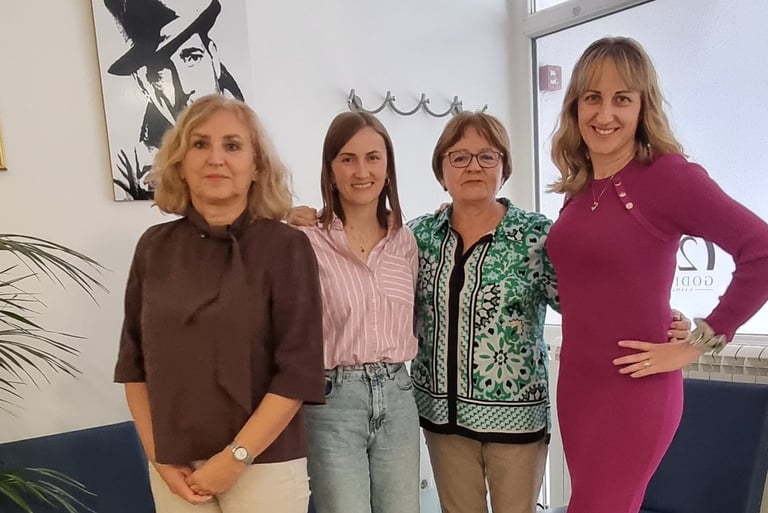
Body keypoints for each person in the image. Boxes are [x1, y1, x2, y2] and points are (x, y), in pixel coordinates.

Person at [545, 36, 768, 513]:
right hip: (578, 386)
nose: (605, 114)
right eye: (593, 97)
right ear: (575, 107)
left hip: (635, 390)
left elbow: (761, 251)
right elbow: (605, 279)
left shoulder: (667, 176)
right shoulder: (580, 189)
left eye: (622, 99)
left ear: (643, 106)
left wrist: (699, 341)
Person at [114, 94, 324, 513]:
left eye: (232, 145)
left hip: (264, 463)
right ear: (180, 162)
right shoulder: (153, 248)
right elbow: (134, 366)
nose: (216, 158)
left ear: (256, 166)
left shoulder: (287, 248)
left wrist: (235, 458)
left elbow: (298, 372)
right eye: (200, 144)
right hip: (176, 467)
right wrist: (159, 458)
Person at [292, 111, 420, 513]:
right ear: (331, 171)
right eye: (347, 159)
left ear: (388, 168)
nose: (361, 171)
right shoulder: (305, 239)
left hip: (398, 394)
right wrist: (281, 214)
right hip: (332, 400)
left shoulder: (405, 241)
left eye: (373, 158)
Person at [103, 0, 245, 199]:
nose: (185, 89)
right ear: (145, 85)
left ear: (213, 57)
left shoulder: (256, 136)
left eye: (192, 57)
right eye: (160, 71)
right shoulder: (133, 166)